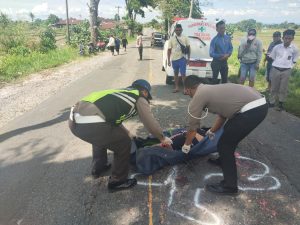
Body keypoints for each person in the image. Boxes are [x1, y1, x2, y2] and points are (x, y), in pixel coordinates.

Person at [68, 79, 173, 192]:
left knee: (101, 136)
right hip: (89, 122)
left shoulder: (122, 93)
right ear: (145, 92)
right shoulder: (139, 97)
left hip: (74, 120)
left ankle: (99, 167)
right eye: (148, 97)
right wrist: (162, 138)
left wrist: (128, 133)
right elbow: (149, 122)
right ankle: (117, 181)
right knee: (123, 143)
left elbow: (113, 121)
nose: (147, 100)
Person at [182, 75, 268, 195]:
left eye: (185, 90)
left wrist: (186, 146)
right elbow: (223, 115)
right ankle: (223, 160)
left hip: (252, 109)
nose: (185, 93)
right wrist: (212, 130)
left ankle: (230, 187)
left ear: (189, 89)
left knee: (225, 145)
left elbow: (192, 128)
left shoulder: (198, 97)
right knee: (229, 132)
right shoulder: (209, 89)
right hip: (259, 104)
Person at [269, 29, 299, 111]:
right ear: (282, 38)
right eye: (286, 38)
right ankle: (271, 102)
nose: (287, 40)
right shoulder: (277, 47)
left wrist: (290, 67)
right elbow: (273, 57)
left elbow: (295, 59)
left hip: (286, 71)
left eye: (290, 38)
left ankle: (281, 103)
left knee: (283, 88)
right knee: (274, 87)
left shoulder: (295, 49)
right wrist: (278, 64)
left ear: (293, 38)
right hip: (275, 69)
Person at [167, 24, 190, 94]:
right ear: (174, 30)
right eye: (176, 30)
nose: (178, 31)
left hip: (182, 58)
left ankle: (185, 89)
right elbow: (169, 50)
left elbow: (188, 48)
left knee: (183, 74)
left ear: (182, 30)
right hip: (174, 59)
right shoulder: (171, 39)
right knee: (175, 73)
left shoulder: (185, 38)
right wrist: (168, 60)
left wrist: (188, 58)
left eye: (179, 30)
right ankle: (176, 87)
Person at [209, 20, 233, 84]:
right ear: (217, 29)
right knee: (214, 81)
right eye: (221, 28)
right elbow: (211, 53)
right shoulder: (214, 40)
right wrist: (221, 55)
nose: (223, 30)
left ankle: (223, 93)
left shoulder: (228, 38)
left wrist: (228, 54)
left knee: (225, 80)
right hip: (216, 62)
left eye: (224, 28)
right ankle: (213, 93)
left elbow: (231, 48)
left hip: (224, 62)